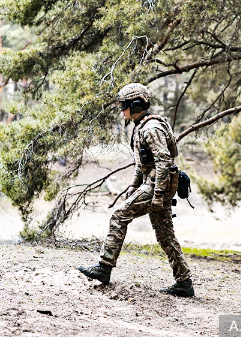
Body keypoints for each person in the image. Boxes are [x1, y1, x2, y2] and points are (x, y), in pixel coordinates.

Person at [78, 83, 194, 297]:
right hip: (155, 183)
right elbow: (143, 163)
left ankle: (104, 268)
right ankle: (184, 282)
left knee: (119, 216)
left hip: (158, 184)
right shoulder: (142, 125)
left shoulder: (150, 128)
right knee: (165, 235)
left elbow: (163, 161)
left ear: (136, 104)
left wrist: (157, 194)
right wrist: (133, 185)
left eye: (124, 105)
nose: (121, 109)